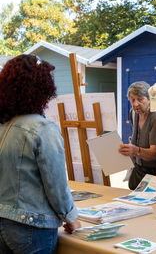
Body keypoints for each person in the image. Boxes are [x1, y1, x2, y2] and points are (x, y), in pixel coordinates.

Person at [0, 54, 81, 254]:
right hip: (31, 226)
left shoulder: (3, 126)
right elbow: (56, 184)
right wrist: (70, 218)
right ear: (42, 89)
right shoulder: (42, 128)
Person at [118, 81, 156, 190]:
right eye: (132, 99)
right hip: (138, 170)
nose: (135, 104)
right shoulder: (133, 113)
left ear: (149, 99)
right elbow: (137, 137)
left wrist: (135, 151)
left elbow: (155, 153)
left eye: (140, 99)